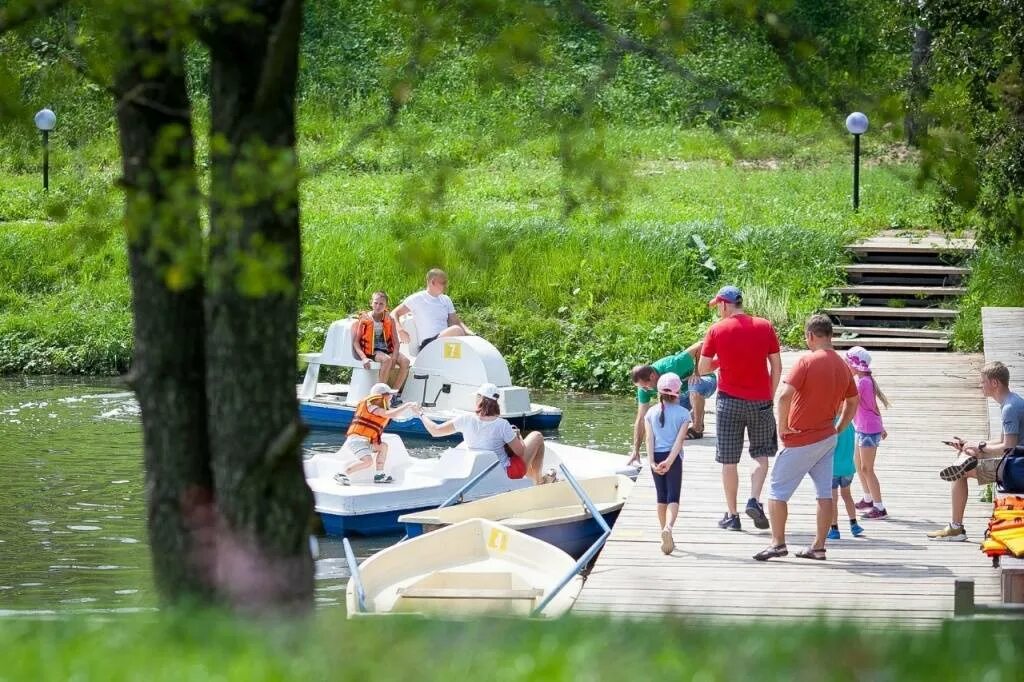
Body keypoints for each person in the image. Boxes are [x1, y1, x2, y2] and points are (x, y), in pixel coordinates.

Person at [753, 314, 858, 562]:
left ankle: (778, 543)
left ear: (810, 336)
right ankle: (818, 547)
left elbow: (783, 397)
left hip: (801, 439)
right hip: (827, 438)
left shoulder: (806, 361)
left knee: (777, 492)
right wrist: (839, 427)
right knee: (824, 493)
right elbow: (853, 401)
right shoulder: (843, 366)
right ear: (830, 336)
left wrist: (783, 428)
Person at [697, 285, 782, 531]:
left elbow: (703, 369)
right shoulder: (765, 326)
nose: (718, 312)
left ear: (724, 304)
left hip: (728, 402)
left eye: (718, 307)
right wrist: (770, 394)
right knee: (761, 454)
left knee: (729, 460)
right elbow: (776, 366)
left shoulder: (716, 330)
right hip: (760, 401)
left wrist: (721, 360)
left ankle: (732, 516)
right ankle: (754, 499)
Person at [927, 361, 1024, 541]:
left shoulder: (1009, 408)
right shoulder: (1012, 401)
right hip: (1015, 463)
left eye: (983, 381)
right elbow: (1003, 441)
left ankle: (956, 528)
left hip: (1017, 469)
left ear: (995, 383)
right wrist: (973, 445)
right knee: (964, 457)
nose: (981, 385)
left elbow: (1008, 448)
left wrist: (980, 451)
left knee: (960, 472)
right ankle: (965, 457)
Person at [415, 383, 551, 485]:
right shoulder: (502, 424)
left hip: (476, 471)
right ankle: (538, 481)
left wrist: (420, 413)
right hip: (505, 473)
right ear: (495, 402)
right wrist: (519, 437)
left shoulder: (465, 419)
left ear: (479, 398)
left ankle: (535, 479)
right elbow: (520, 452)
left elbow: (435, 431)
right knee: (537, 436)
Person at [628, 341, 717, 466]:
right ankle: (697, 415)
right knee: (660, 415)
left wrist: (696, 372)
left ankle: (697, 428)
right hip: (682, 395)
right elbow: (641, 418)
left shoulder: (673, 364)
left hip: (705, 380)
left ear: (652, 376)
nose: (644, 390)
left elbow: (700, 345)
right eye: (641, 387)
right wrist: (635, 450)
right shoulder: (643, 387)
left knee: (694, 384)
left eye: (645, 386)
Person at [334, 383, 419, 486]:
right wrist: (407, 405)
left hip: (366, 441)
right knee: (368, 462)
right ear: (383, 396)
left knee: (383, 446)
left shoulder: (379, 407)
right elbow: (390, 414)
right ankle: (342, 474)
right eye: (390, 395)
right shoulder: (372, 407)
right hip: (357, 441)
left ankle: (379, 475)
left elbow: (392, 415)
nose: (392, 397)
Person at [643, 372, 691, 555]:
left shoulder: (650, 412)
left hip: (656, 457)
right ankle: (669, 529)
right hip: (673, 459)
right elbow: (679, 442)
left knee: (661, 497)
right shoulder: (684, 414)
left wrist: (652, 462)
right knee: (673, 497)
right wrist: (670, 461)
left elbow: (649, 439)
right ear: (678, 391)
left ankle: (663, 529)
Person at [845, 346, 891, 520]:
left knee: (867, 468)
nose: (846, 366)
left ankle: (879, 507)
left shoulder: (863, 382)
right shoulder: (863, 381)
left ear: (856, 365)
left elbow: (850, 401)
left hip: (868, 430)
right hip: (861, 428)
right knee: (858, 465)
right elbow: (873, 406)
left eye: (848, 363)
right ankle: (868, 498)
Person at [392, 268, 473, 352]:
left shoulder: (446, 299)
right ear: (433, 282)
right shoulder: (417, 299)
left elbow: (456, 322)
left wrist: (471, 334)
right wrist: (400, 330)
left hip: (445, 344)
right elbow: (394, 313)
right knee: (456, 330)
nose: (446, 286)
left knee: (462, 334)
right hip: (428, 346)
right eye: (443, 283)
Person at [351, 291, 410, 390]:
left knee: (405, 361)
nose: (378, 306)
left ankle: (394, 394)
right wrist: (363, 358)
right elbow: (356, 342)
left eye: (381, 304)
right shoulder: (365, 319)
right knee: (387, 360)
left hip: (387, 350)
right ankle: (379, 393)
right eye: (376, 303)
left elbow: (396, 342)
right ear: (371, 303)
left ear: (386, 305)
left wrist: (395, 357)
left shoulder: (389, 319)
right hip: (372, 351)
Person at [827, 419, 865, 540]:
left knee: (833, 499)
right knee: (847, 495)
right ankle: (854, 524)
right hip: (848, 468)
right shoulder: (850, 424)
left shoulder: (832, 425)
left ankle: (834, 529)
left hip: (833, 469)